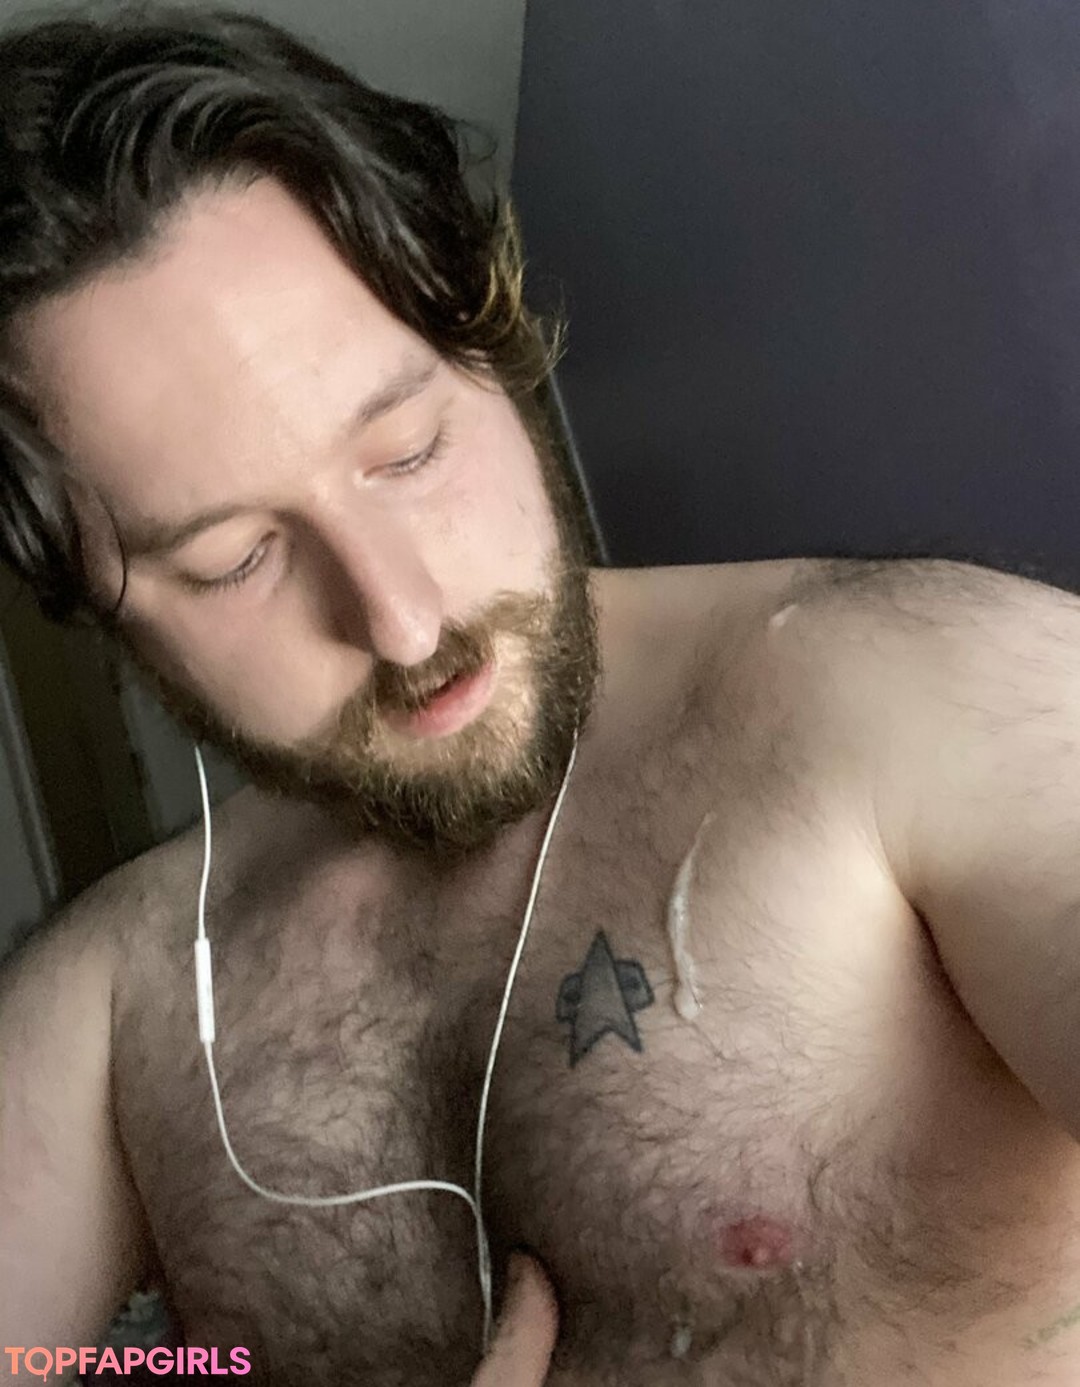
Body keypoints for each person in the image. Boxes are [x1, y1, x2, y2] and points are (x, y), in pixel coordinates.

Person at [1, 7, 1080, 1385]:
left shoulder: (920, 691)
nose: (403, 619)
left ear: (492, 336)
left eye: (409, 452)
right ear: (98, 607)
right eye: (235, 562)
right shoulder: (112, 999)